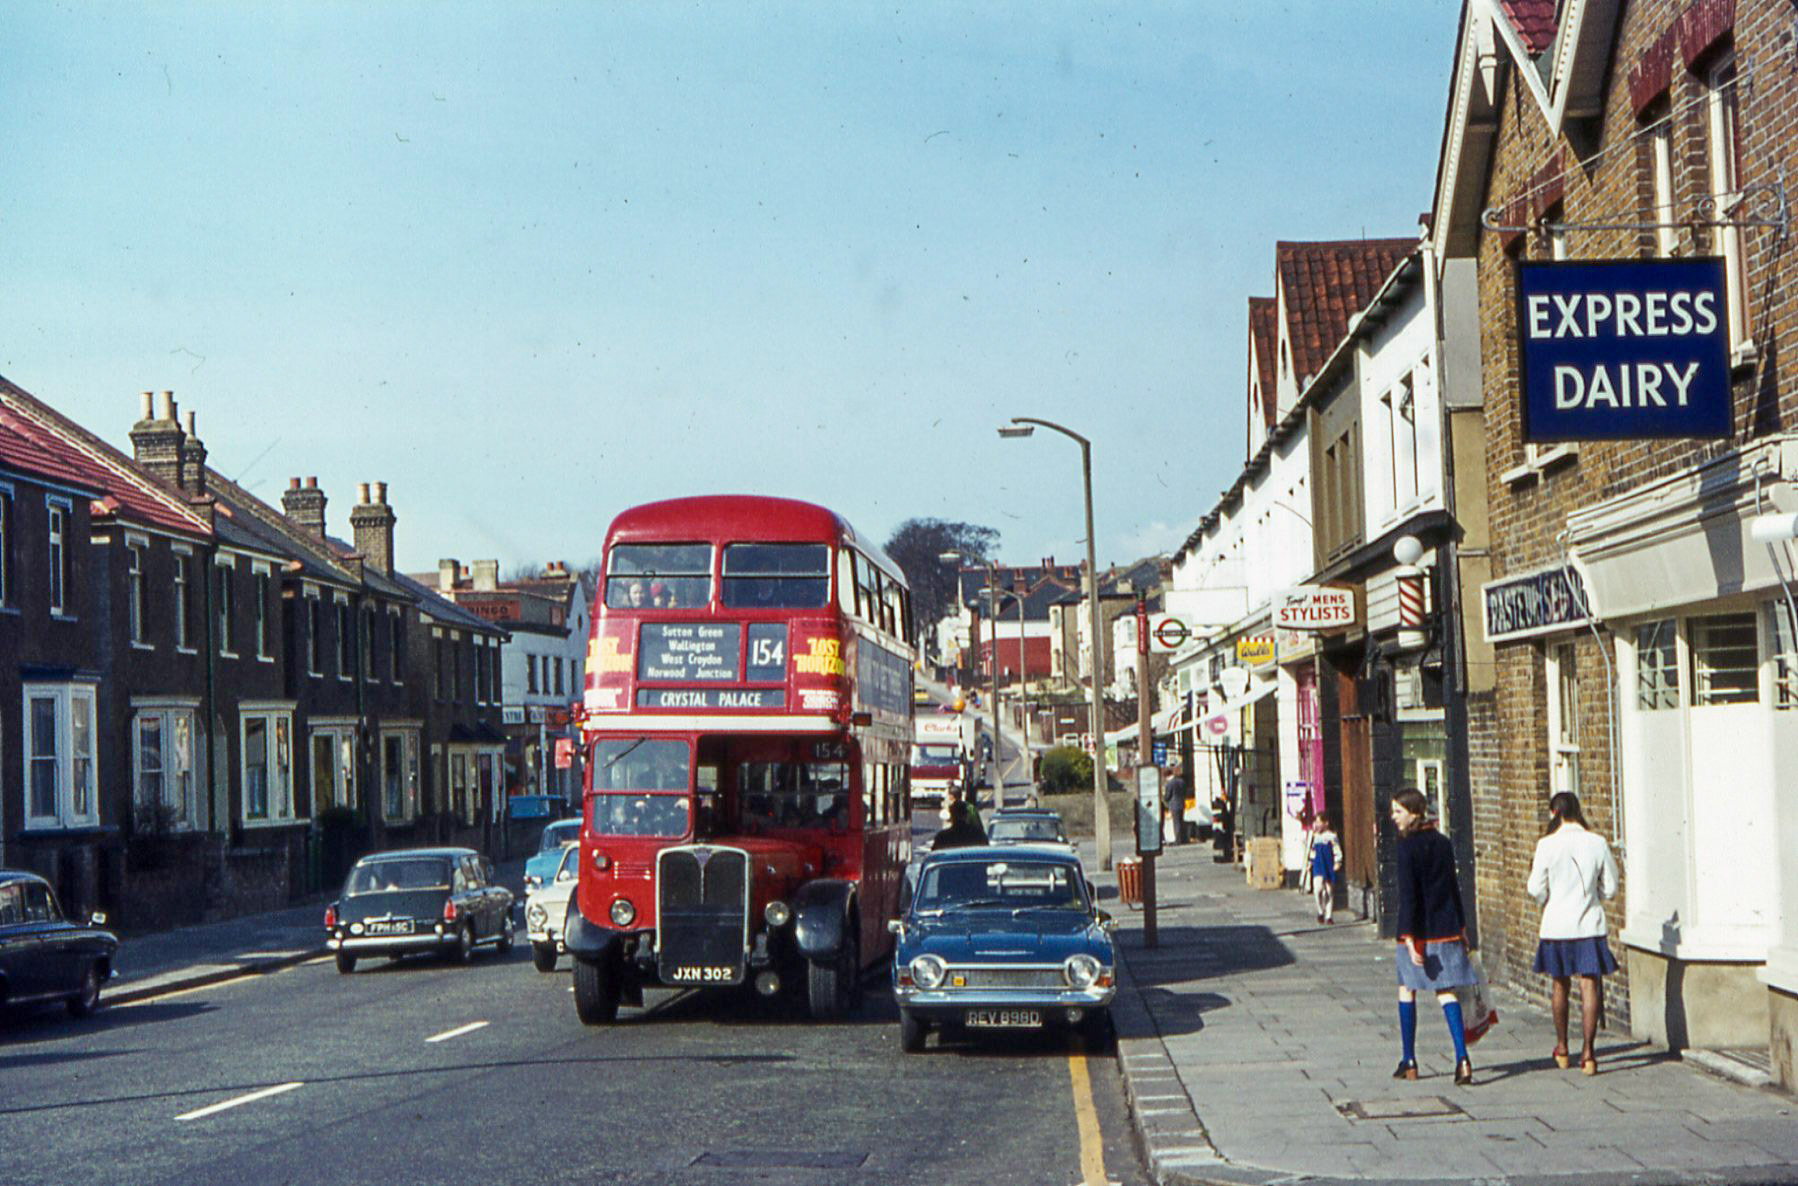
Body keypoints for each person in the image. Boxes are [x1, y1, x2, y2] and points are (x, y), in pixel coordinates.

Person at [1527, 791, 1619, 1076]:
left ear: (1555, 813)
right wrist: (1594, 896)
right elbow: (1612, 887)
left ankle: (1563, 1048)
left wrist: (1548, 900)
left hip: (1556, 925)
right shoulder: (1597, 842)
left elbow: (1535, 888)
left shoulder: (1546, 845)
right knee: (1589, 985)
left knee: (1560, 985)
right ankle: (1589, 1055)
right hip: (1588, 924)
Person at [1390, 787, 1477, 1086]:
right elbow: (1454, 887)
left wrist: (1409, 937)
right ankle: (1462, 1057)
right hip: (1447, 927)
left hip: (1418, 931)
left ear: (1413, 813)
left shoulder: (1405, 847)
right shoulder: (1442, 843)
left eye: (1398, 812)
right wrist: (1462, 928)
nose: (1393, 817)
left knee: (1407, 988)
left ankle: (1409, 1059)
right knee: (1446, 991)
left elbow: (1409, 895)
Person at [1307, 815, 1343, 924]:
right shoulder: (1315, 837)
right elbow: (1312, 851)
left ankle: (1329, 916)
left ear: (1326, 823)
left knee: (1329, 890)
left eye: (1319, 822)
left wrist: (1338, 861)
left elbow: (1337, 850)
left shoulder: (1332, 836)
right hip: (1318, 864)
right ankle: (1320, 911)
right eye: (1316, 822)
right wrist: (1310, 862)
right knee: (1317, 889)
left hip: (1328, 864)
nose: (1317, 825)